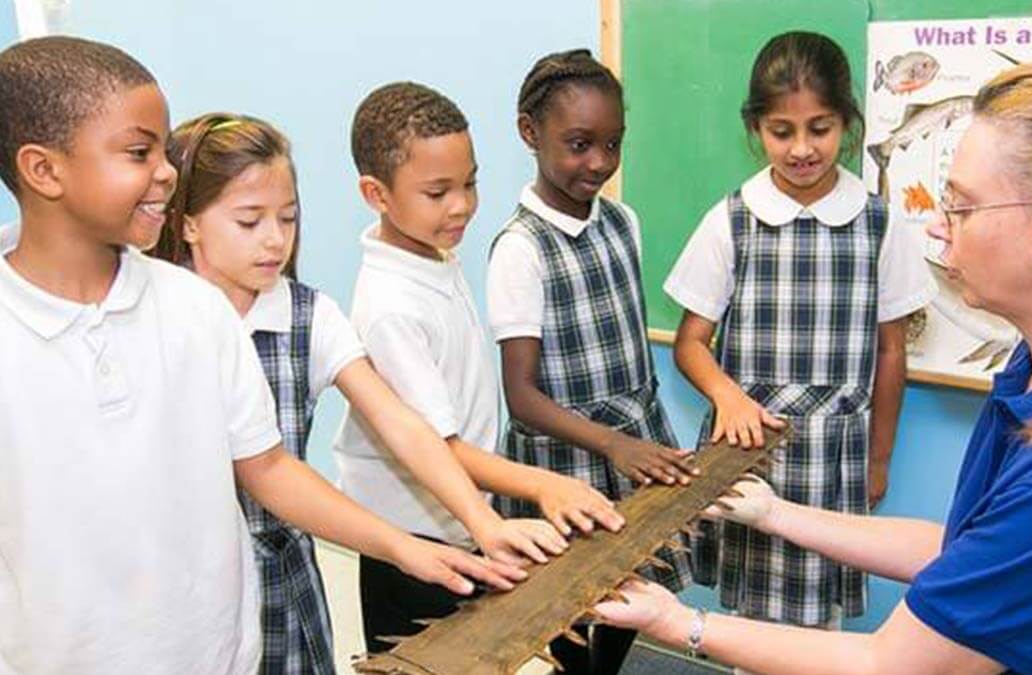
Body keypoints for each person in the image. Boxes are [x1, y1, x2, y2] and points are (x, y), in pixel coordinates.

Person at [596, 58, 1032, 674]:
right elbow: (972, 553)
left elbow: (893, 665)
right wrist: (774, 512)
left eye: (962, 207)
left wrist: (678, 623)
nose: (939, 227)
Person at [0, 36, 521, 675]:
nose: (166, 172)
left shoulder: (193, 309)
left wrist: (404, 547)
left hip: (219, 651)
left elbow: (268, 467)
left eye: (164, 151)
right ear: (43, 170)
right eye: (139, 152)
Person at [152, 112, 567, 672]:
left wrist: (482, 522)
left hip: (281, 573)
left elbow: (400, 422)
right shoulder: (157, 316)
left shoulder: (308, 315)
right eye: (249, 222)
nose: (275, 240)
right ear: (189, 224)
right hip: (181, 576)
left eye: (289, 218)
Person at [336, 81, 625, 654]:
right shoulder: (392, 305)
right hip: (411, 535)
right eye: (438, 191)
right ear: (377, 193)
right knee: (425, 660)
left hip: (458, 514)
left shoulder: (433, 253)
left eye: (469, 182)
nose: (463, 204)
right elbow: (435, 446)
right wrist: (547, 483)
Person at [667, 31, 934, 629]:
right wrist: (727, 395)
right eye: (781, 131)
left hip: (836, 455)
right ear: (756, 129)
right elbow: (690, 342)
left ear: (848, 122)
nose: (802, 148)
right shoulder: (732, 219)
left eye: (820, 127)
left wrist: (879, 457)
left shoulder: (877, 223)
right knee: (750, 620)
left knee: (823, 618)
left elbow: (892, 352)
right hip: (749, 449)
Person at [486, 48, 697, 674]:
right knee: (569, 620)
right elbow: (521, 397)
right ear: (530, 132)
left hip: (632, 446)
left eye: (613, 144)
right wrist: (612, 444)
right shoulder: (520, 249)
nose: (599, 162)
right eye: (579, 144)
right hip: (566, 466)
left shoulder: (622, 222)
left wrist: (633, 443)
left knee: (630, 600)